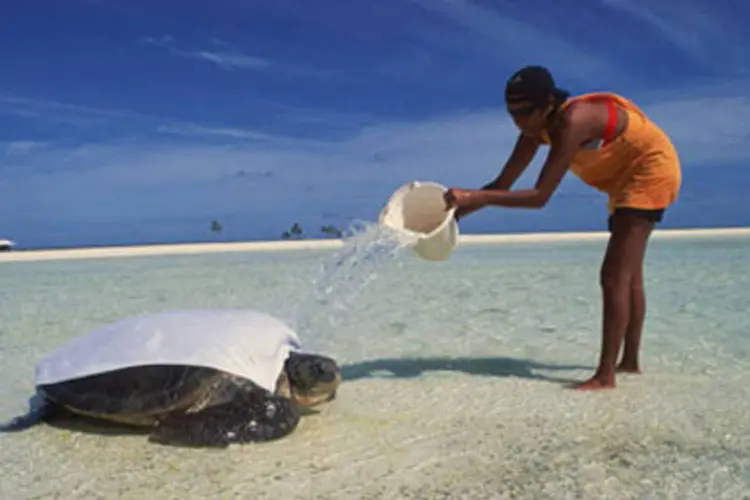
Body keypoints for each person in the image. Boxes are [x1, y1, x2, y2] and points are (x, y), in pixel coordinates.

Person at [443, 65, 682, 391]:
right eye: (511, 113)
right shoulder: (533, 130)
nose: (518, 121)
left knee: (613, 277)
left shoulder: (574, 121)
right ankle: (628, 362)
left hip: (650, 170)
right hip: (620, 180)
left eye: (525, 112)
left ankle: (605, 376)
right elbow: (503, 184)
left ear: (547, 105)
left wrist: (474, 195)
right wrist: (453, 216)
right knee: (629, 274)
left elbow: (540, 196)